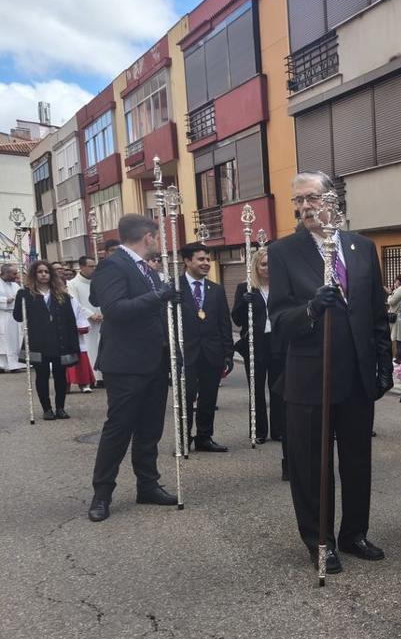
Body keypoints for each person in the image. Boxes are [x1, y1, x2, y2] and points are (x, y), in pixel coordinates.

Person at [268, 171, 393, 573]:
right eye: (298, 201)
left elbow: (376, 313)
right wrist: (309, 310)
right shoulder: (284, 251)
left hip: (357, 375)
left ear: (332, 200)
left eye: (311, 198)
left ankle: (353, 533)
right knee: (311, 464)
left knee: (357, 459)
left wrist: (383, 363)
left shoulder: (361, 247)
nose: (304, 207)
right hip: (310, 378)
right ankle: (319, 539)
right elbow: (280, 319)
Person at [87, 213, 181, 522]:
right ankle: (102, 494)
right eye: (158, 236)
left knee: (150, 429)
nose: (160, 242)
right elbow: (115, 310)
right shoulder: (113, 266)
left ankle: (148, 485)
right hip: (126, 364)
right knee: (118, 430)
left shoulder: (147, 270)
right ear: (148, 237)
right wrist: (158, 296)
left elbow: (154, 314)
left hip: (154, 361)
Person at [233, 245, 288, 474]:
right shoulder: (245, 288)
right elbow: (236, 319)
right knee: (256, 388)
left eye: (271, 265)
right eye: (264, 264)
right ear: (256, 266)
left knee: (278, 388)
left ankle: (278, 429)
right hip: (255, 343)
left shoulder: (282, 287)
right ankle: (258, 429)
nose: (268, 269)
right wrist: (242, 302)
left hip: (277, 342)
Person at [178, 243, 233, 453]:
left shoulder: (216, 290)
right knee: (187, 396)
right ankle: (184, 438)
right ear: (187, 261)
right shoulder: (174, 288)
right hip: (187, 354)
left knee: (209, 398)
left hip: (212, 353)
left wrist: (228, 353)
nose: (206, 264)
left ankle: (204, 438)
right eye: (201, 259)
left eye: (207, 260)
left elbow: (224, 324)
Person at [13, 260, 83, 420]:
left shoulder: (61, 295)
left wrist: (74, 344)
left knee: (60, 375)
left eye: (46, 271)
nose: (44, 274)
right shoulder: (27, 294)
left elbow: (70, 321)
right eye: (40, 272)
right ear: (34, 274)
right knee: (42, 375)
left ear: (51, 274)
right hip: (39, 341)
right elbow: (18, 317)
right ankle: (47, 409)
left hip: (59, 340)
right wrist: (20, 298)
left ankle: (60, 407)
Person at [68, 255, 103, 387]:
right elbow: (74, 302)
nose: (94, 269)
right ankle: (91, 378)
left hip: (101, 320)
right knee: (89, 349)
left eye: (95, 266)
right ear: (82, 267)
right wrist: (90, 314)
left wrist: (102, 313)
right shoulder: (72, 284)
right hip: (85, 322)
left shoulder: (98, 281)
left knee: (101, 347)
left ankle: (101, 377)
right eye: (91, 266)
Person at [0, 264, 25, 371]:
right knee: (2, 341)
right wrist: (5, 300)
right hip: (2, 315)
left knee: (13, 341)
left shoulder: (15, 285)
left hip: (13, 316)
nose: (16, 275)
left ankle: (13, 364)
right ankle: (2, 364)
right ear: (5, 273)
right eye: (14, 273)